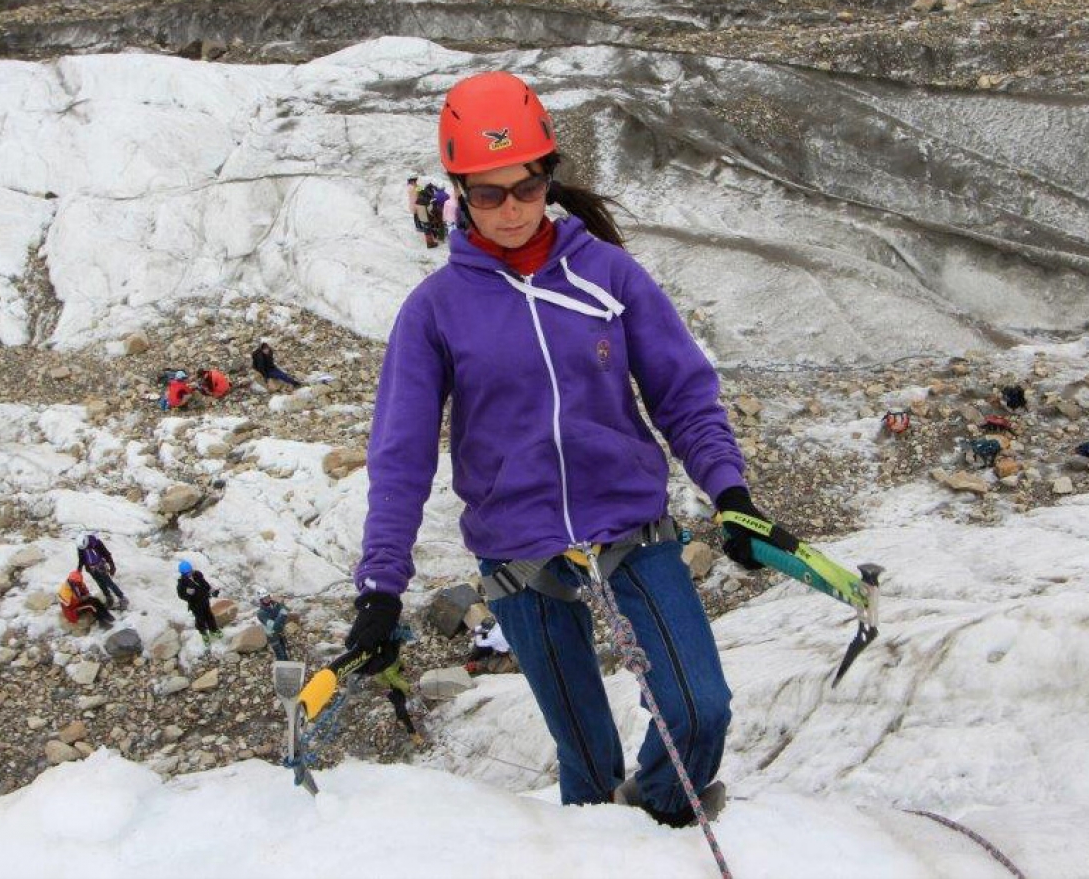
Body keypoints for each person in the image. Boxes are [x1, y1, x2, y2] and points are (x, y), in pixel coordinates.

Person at [340, 71, 797, 827]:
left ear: (548, 177)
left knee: (700, 712)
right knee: (586, 767)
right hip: (520, 558)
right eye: (487, 195)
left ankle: (658, 822)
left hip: (633, 529)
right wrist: (380, 587)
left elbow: (683, 394)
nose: (511, 210)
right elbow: (401, 457)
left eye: (525, 188)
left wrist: (732, 496)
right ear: (458, 193)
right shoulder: (434, 312)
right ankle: (605, 850)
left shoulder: (609, 276)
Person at [76, 532, 128, 611]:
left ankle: (122, 598)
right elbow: (81, 558)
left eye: (86, 547)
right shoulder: (81, 546)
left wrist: (112, 566)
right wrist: (78, 570)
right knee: (100, 583)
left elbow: (106, 554)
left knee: (109, 583)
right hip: (91, 568)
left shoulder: (96, 543)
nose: (84, 549)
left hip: (101, 566)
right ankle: (109, 598)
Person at [176, 560, 221, 645]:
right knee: (200, 619)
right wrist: (187, 594)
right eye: (187, 573)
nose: (189, 574)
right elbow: (181, 595)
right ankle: (204, 633)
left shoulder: (197, 575)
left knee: (209, 616)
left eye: (190, 572)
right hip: (195, 605)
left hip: (204, 600)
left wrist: (212, 591)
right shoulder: (182, 584)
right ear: (183, 574)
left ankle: (214, 630)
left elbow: (205, 585)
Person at [255, 587, 291, 661]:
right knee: (280, 654)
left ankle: (286, 663)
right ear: (261, 600)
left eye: (268, 597)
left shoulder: (275, 604)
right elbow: (274, 626)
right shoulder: (261, 613)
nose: (267, 599)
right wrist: (282, 615)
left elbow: (286, 610)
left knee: (284, 649)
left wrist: (283, 607)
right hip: (272, 635)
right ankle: (282, 668)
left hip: (280, 632)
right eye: (265, 598)